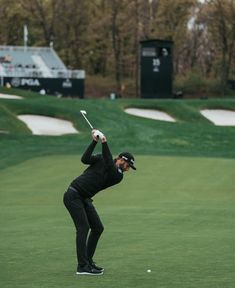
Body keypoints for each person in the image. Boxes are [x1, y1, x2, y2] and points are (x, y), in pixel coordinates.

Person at [63, 129, 136, 276]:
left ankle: (88, 262)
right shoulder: (102, 158)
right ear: (121, 159)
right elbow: (85, 159)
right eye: (128, 165)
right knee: (83, 228)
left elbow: (109, 164)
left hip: (84, 198)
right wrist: (95, 142)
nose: (128, 169)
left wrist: (104, 142)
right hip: (73, 195)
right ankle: (82, 266)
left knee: (97, 228)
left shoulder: (118, 176)